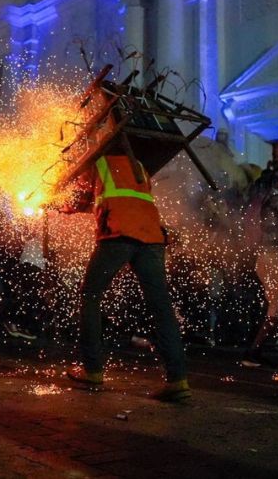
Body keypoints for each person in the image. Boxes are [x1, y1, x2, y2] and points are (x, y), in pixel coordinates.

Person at [66, 139, 190, 402]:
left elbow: (79, 197)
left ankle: (92, 370)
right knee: (161, 306)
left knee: (90, 295)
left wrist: (59, 205)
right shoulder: (140, 165)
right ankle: (178, 379)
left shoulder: (98, 161)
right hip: (152, 237)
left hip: (119, 234)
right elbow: (123, 196)